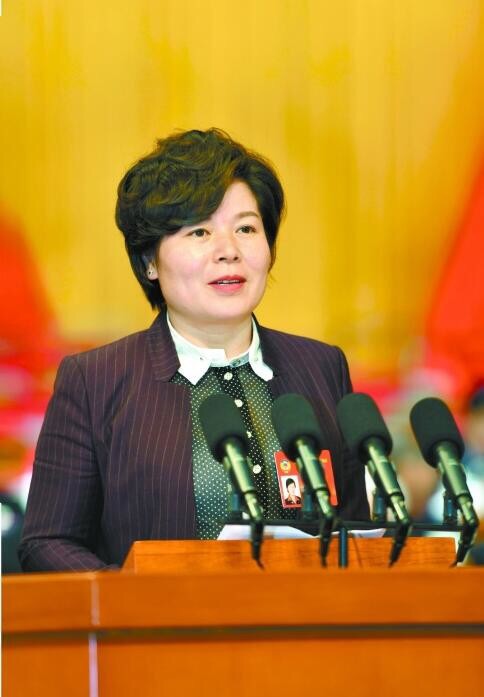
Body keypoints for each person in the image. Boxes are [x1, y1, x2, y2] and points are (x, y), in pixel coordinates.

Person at [19, 128, 369, 571]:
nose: (228, 251)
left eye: (246, 228)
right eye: (200, 231)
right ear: (150, 261)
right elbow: (48, 542)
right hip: (154, 616)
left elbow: (358, 534)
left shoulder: (322, 366)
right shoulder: (96, 381)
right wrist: (135, 598)